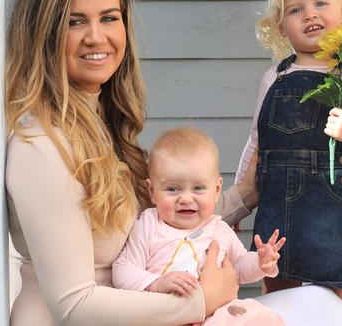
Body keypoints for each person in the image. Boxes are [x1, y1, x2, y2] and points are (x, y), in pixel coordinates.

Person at [5, 0, 259, 325]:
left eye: (109, 18)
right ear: (42, 32)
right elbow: (74, 304)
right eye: (74, 21)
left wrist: (245, 195)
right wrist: (199, 302)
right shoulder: (42, 145)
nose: (96, 37)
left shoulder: (100, 122)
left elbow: (160, 221)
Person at [235, 0, 342, 305]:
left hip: (333, 214)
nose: (310, 14)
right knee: (278, 298)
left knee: (340, 301)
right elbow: (256, 143)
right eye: (296, 9)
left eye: (320, 3)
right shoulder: (275, 78)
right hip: (277, 212)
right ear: (281, 27)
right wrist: (237, 207)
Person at [112, 128, 286, 326]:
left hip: (216, 317)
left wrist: (261, 263)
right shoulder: (149, 225)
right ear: (152, 191)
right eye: (172, 189)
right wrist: (156, 283)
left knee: (259, 318)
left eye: (198, 188)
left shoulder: (219, 229)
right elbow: (122, 269)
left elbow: (239, 269)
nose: (186, 198)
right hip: (166, 316)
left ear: (217, 189)